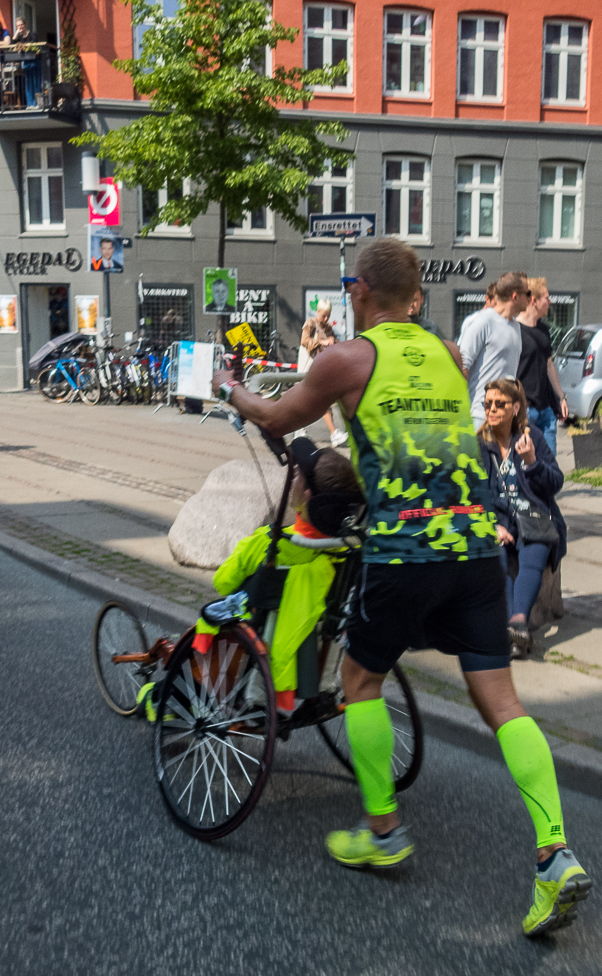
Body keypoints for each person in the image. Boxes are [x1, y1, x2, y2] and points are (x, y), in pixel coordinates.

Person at [211, 237, 591, 936]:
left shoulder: (347, 359)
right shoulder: (449, 354)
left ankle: (382, 829)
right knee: (501, 701)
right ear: (414, 295)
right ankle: (552, 852)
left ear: (357, 292)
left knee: (358, 680)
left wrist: (227, 387)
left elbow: (274, 417)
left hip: (402, 552)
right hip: (475, 549)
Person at [139, 440, 363, 721]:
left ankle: (167, 698)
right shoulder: (344, 551)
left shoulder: (270, 544)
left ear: (307, 495)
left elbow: (224, 581)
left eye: (297, 476)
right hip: (315, 655)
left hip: (253, 653)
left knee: (217, 622)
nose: (291, 478)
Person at [477, 378, 565, 659]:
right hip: (499, 521)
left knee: (532, 560)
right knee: (497, 563)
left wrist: (531, 462)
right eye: (487, 404)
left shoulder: (533, 437)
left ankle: (516, 625)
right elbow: (472, 493)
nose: (492, 410)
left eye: (499, 404)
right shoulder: (479, 445)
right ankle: (518, 631)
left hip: (534, 516)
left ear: (515, 407)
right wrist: (492, 524)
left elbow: (555, 483)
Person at [458, 272, 529, 428]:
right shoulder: (483, 321)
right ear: (515, 296)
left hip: (507, 415)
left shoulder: (515, 326)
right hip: (481, 415)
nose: (531, 298)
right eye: (528, 293)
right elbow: (461, 364)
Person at [517, 278, 568, 456]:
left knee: (549, 463)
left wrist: (561, 397)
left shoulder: (544, 329)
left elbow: (548, 364)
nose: (550, 301)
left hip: (546, 409)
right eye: (546, 297)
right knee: (524, 465)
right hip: (524, 409)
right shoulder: (513, 330)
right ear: (534, 300)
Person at [297, 301, 346, 447]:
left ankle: (300, 431)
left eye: (328, 316)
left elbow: (335, 342)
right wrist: (323, 342)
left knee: (316, 401)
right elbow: (304, 341)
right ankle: (333, 434)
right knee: (318, 401)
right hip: (307, 368)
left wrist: (334, 341)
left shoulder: (328, 327)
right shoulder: (310, 323)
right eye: (324, 315)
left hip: (318, 369)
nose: (326, 319)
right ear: (318, 312)